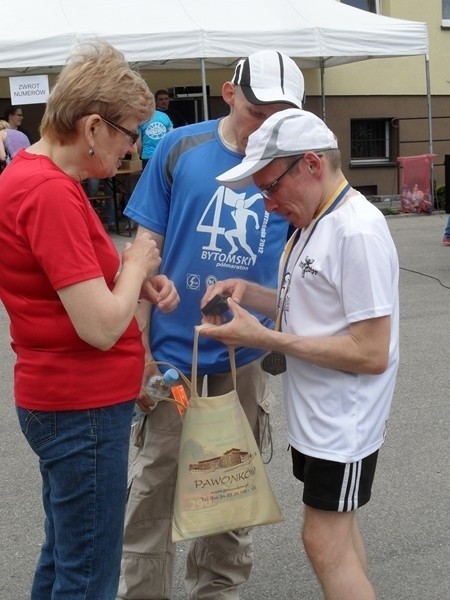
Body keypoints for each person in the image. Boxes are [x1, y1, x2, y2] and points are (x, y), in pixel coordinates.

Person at [118, 50, 305, 600]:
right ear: (228, 94)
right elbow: (145, 251)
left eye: (278, 116)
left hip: (242, 362)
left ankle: (217, 593)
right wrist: (141, 351)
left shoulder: (297, 161)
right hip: (172, 365)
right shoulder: (181, 147)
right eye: (254, 113)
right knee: (155, 489)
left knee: (228, 489)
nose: (263, 129)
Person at [0, 40, 179, 600]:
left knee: (64, 558)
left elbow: (74, 284)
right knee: (88, 576)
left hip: (63, 401)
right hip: (80, 407)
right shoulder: (50, 192)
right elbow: (100, 327)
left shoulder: (35, 176)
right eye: (130, 133)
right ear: (95, 126)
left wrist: (132, 278)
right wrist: (135, 263)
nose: (132, 149)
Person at [200, 108, 400, 600]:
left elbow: (372, 351)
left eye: (270, 188)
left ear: (312, 163)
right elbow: (311, 306)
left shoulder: (357, 230)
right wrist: (250, 290)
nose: (266, 204)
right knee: (340, 539)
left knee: (322, 541)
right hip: (319, 417)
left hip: (344, 423)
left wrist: (263, 338)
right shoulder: (315, 220)